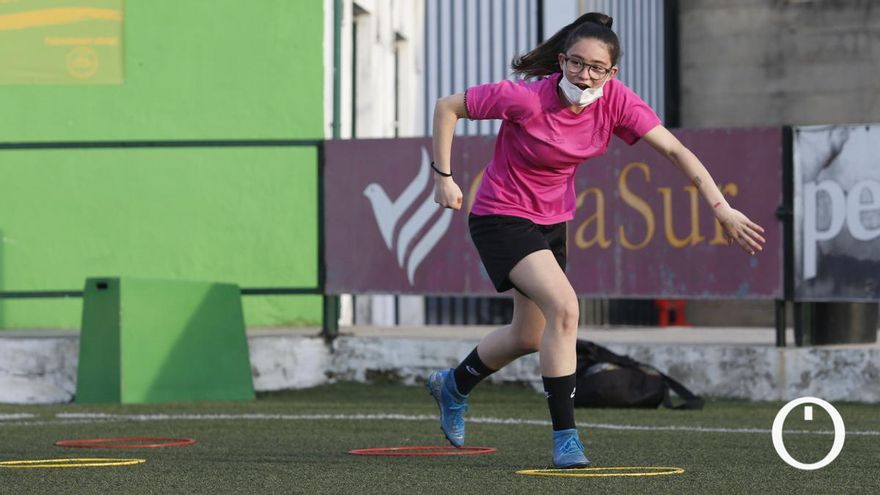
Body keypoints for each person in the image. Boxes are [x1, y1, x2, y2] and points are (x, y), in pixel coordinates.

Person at [426, 12, 766, 468]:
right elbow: (448, 106)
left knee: (529, 335)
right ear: (562, 60)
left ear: (612, 72)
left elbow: (675, 150)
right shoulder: (526, 98)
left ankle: (454, 384)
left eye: (596, 68)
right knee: (566, 309)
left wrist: (721, 207)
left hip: (551, 220)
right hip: (500, 215)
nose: (584, 75)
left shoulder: (618, 102)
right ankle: (566, 438)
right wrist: (443, 177)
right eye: (576, 63)